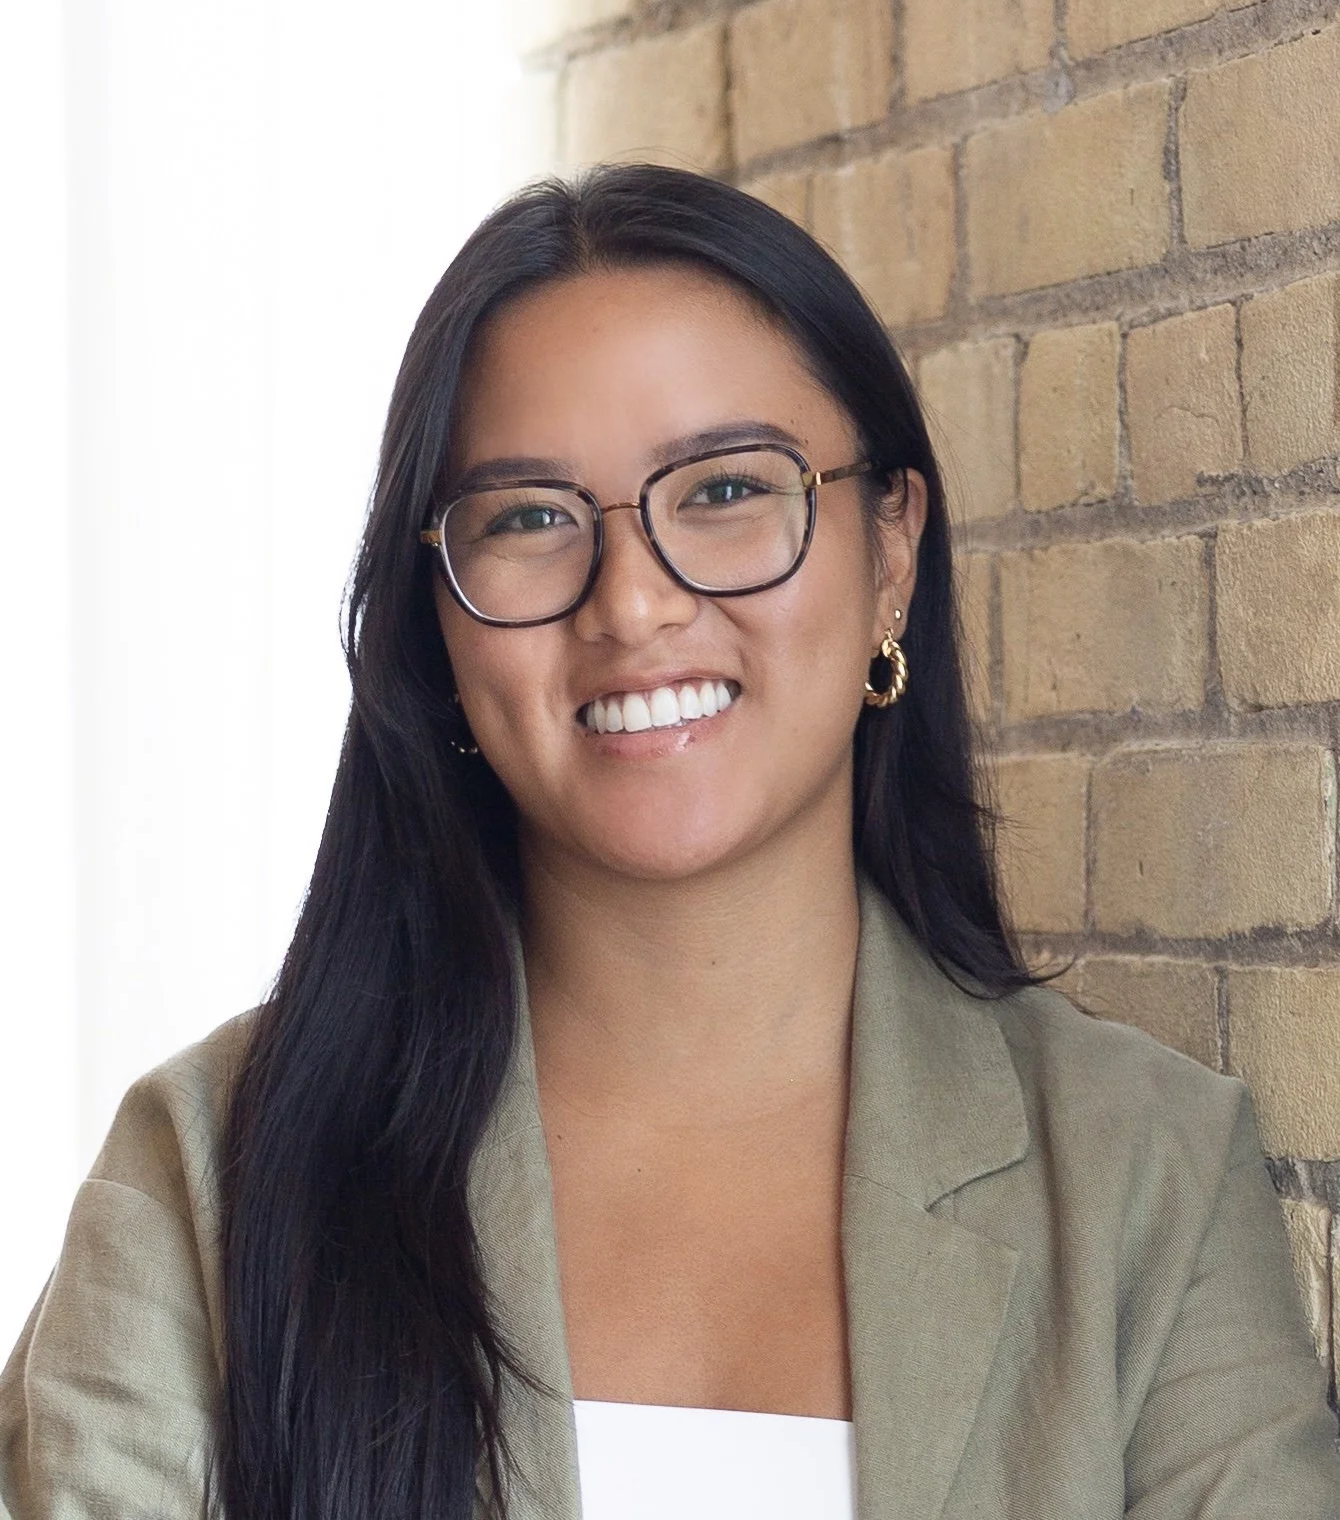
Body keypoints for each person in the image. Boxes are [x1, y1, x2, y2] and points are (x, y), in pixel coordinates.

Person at [2, 164, 1337, 1520]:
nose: (633, 604)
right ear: (435, 618)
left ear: (891, 551)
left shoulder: (1141, 1173)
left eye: (725, 488)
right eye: (529, 518)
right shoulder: (209, 1174)